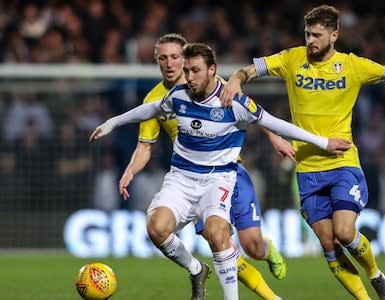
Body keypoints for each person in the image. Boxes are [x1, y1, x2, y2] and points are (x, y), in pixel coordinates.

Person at [220, 5, 385, 300]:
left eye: (317, 35)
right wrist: (237, 78)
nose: (310, 40)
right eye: (307, 34)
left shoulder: (354, 66)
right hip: (307, 170)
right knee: (329, 246)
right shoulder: (292, 59)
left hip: (342, 162)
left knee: (345, 233)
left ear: (334, 35)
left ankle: (376, 275)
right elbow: (250, 70)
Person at [90, 42, 351, 300]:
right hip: (181, 178)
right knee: (156, 229)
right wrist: (113, 122)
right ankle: (196, 270)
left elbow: (277, 124)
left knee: (221, 235)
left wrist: (324, 142)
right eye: (187, 71)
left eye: (195, 71)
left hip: (218, 179)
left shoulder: (233, 101)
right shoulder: (178, 95)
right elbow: (151, 109)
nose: (189, 77)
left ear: (212, 70)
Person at [118, 33, 289, 300]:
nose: (170, 63)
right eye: (163, 58)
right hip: (193, 178)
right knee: (219, 241)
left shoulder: (213, 84)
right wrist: (130, 170)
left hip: (231, 171)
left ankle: (266, 250)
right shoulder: (157, 98)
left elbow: (251, 112)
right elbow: (145, 146)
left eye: (175, 57)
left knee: (252, 246)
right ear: (156, 61)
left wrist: (275, 137)